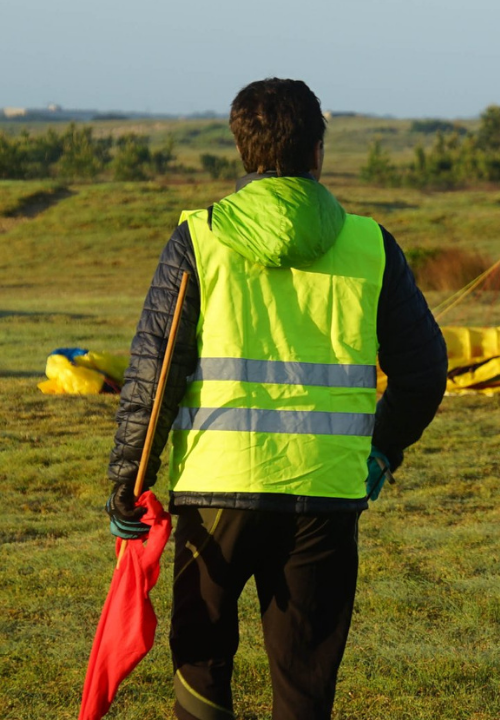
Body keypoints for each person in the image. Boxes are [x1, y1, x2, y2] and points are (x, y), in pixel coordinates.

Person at [103, 78, 448, 720]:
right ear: (317, 152)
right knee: (304, 683)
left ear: (241, 150)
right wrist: (380, 452)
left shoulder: (198, 239)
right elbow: (425, 374)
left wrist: (129, 480)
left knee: (201, 667)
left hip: (214, 497)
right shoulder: (372, 246)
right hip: (325, 497)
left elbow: (153, 375)